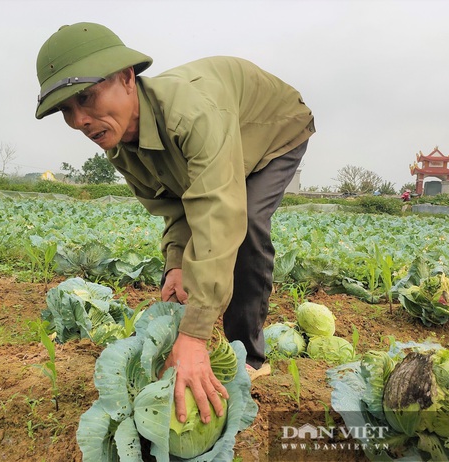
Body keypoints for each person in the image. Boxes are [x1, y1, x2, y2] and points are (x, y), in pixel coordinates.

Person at [35, 22, 315, 425]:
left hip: (274, 129)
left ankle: (249, 356)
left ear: (127, 79)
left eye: (86, 97)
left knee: (247, 222)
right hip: (225, 137)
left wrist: (195, 334)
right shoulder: (120, 146)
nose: (80, 120)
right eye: (66, 110)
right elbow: (175, 203)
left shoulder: (191, 115)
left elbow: (217, 212)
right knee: (202, 245)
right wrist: (176, 263)